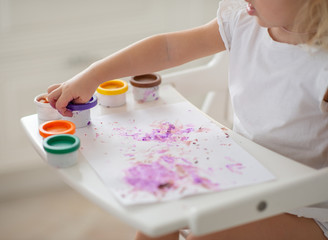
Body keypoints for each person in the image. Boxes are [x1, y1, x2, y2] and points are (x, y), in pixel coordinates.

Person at [47, 0, 328, 239]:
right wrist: (94, 75)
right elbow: (169, 48)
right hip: (249, 177)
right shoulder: (244, 20)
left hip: (307, 206)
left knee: (204, 231)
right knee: (157, 216)